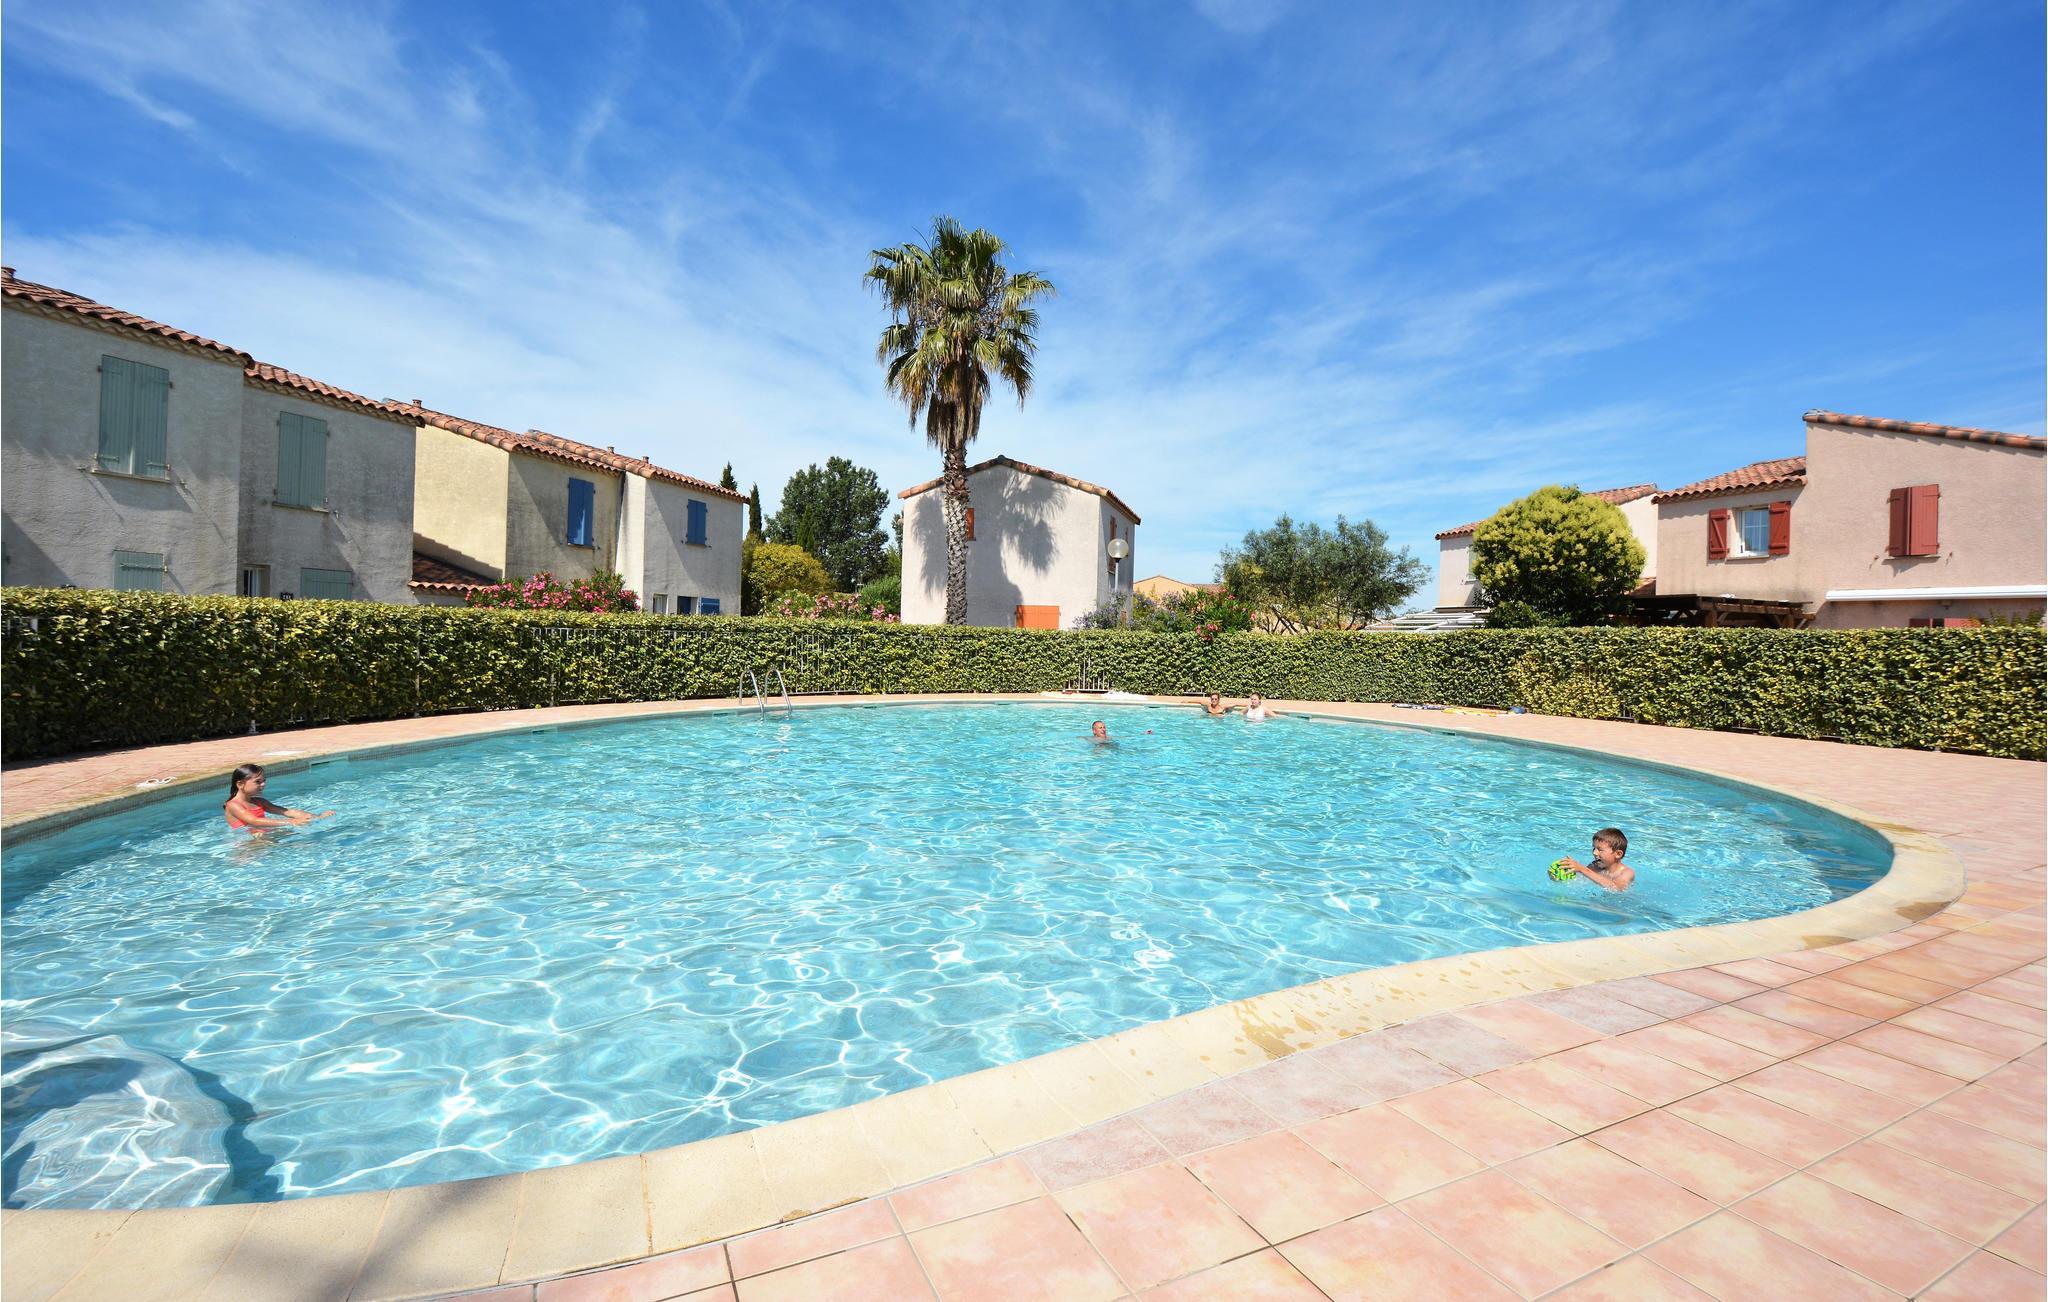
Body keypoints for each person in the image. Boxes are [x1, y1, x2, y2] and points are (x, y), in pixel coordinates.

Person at [224, 763, 333, 834]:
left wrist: (316, 817)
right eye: (258, 782)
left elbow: (288, 812)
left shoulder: (260, 802)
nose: (263, 784)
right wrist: (292, 822)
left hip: (261, 834)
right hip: (246, 843)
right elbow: (254, 821)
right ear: (240, 784)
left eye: (264, 781)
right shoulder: (233, 805)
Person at [1556, 828, 1634, 892]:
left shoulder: (1626, 873)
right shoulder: (1594, 867)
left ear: (1618, 854)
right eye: (1594, 848)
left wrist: (1582, 869)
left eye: (1600, 850)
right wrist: (1559, 877)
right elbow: (1576, 884)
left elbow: (1616, 889)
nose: (1594, 853)